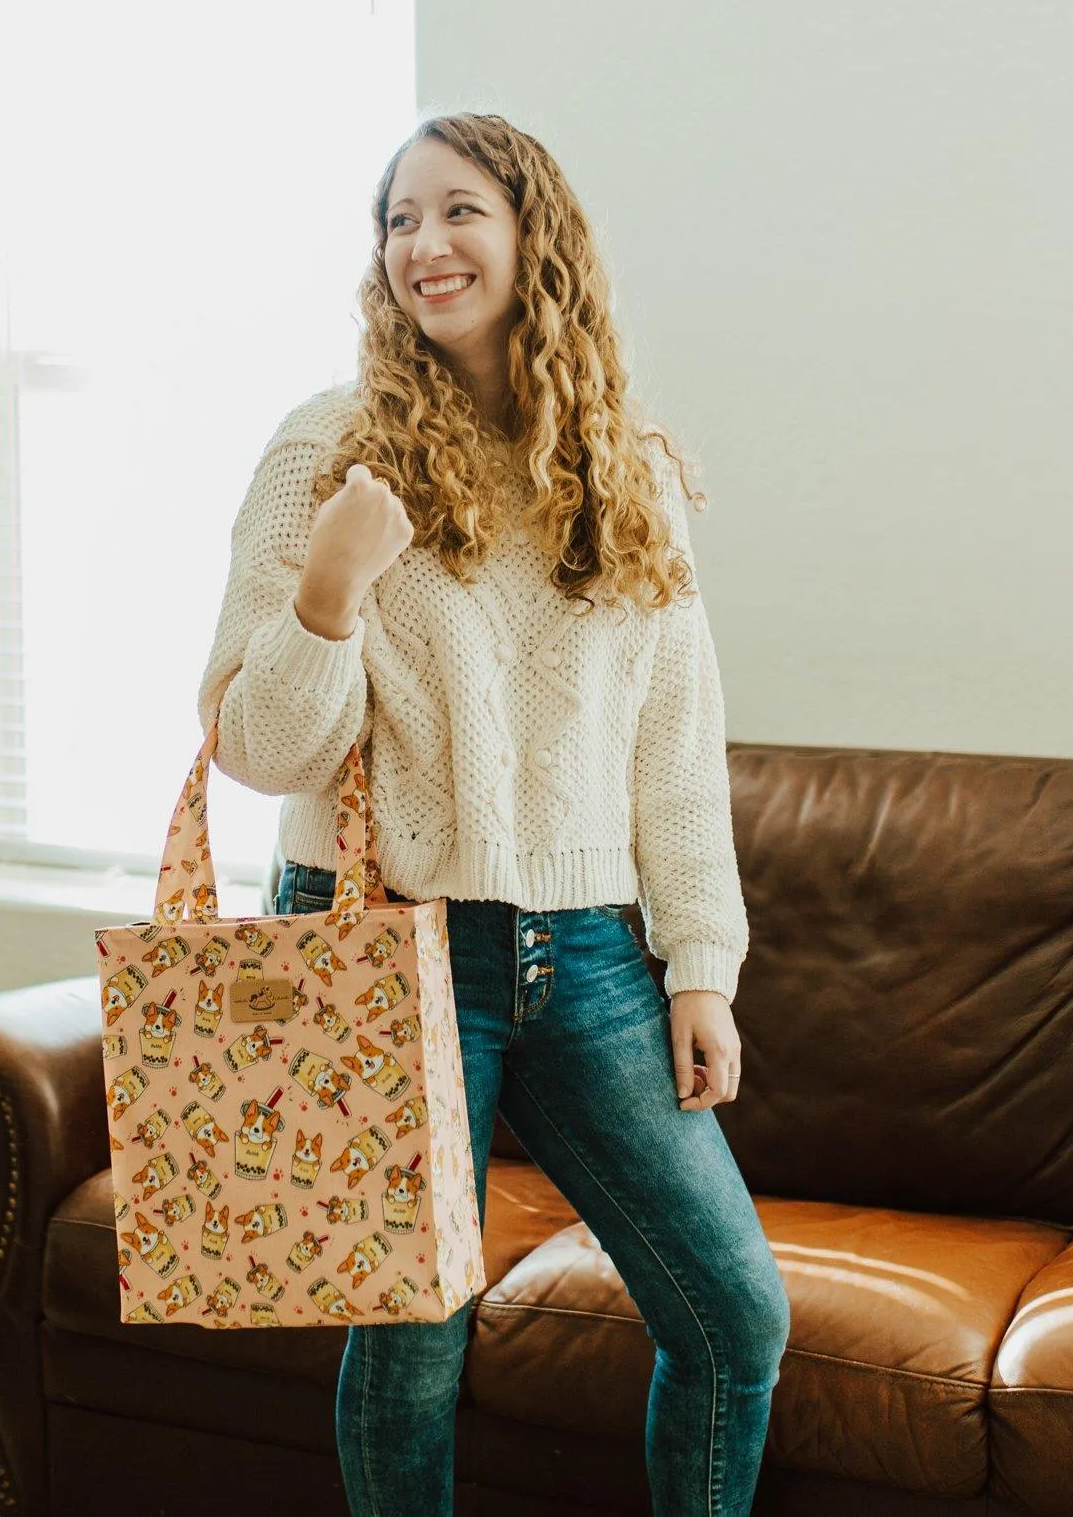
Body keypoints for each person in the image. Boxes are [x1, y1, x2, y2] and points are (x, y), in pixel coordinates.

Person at [195, 111, 789, 1517]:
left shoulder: (625, 459)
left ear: (535, 234)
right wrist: (331, 588)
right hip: (386, 942)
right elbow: (257, 745)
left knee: (732, 1315)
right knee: (409, 1347)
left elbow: (674, 739)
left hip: (585, 953)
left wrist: (703, 966)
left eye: (457, 210)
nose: (423, 246)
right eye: (398, 220)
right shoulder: (321, 448)